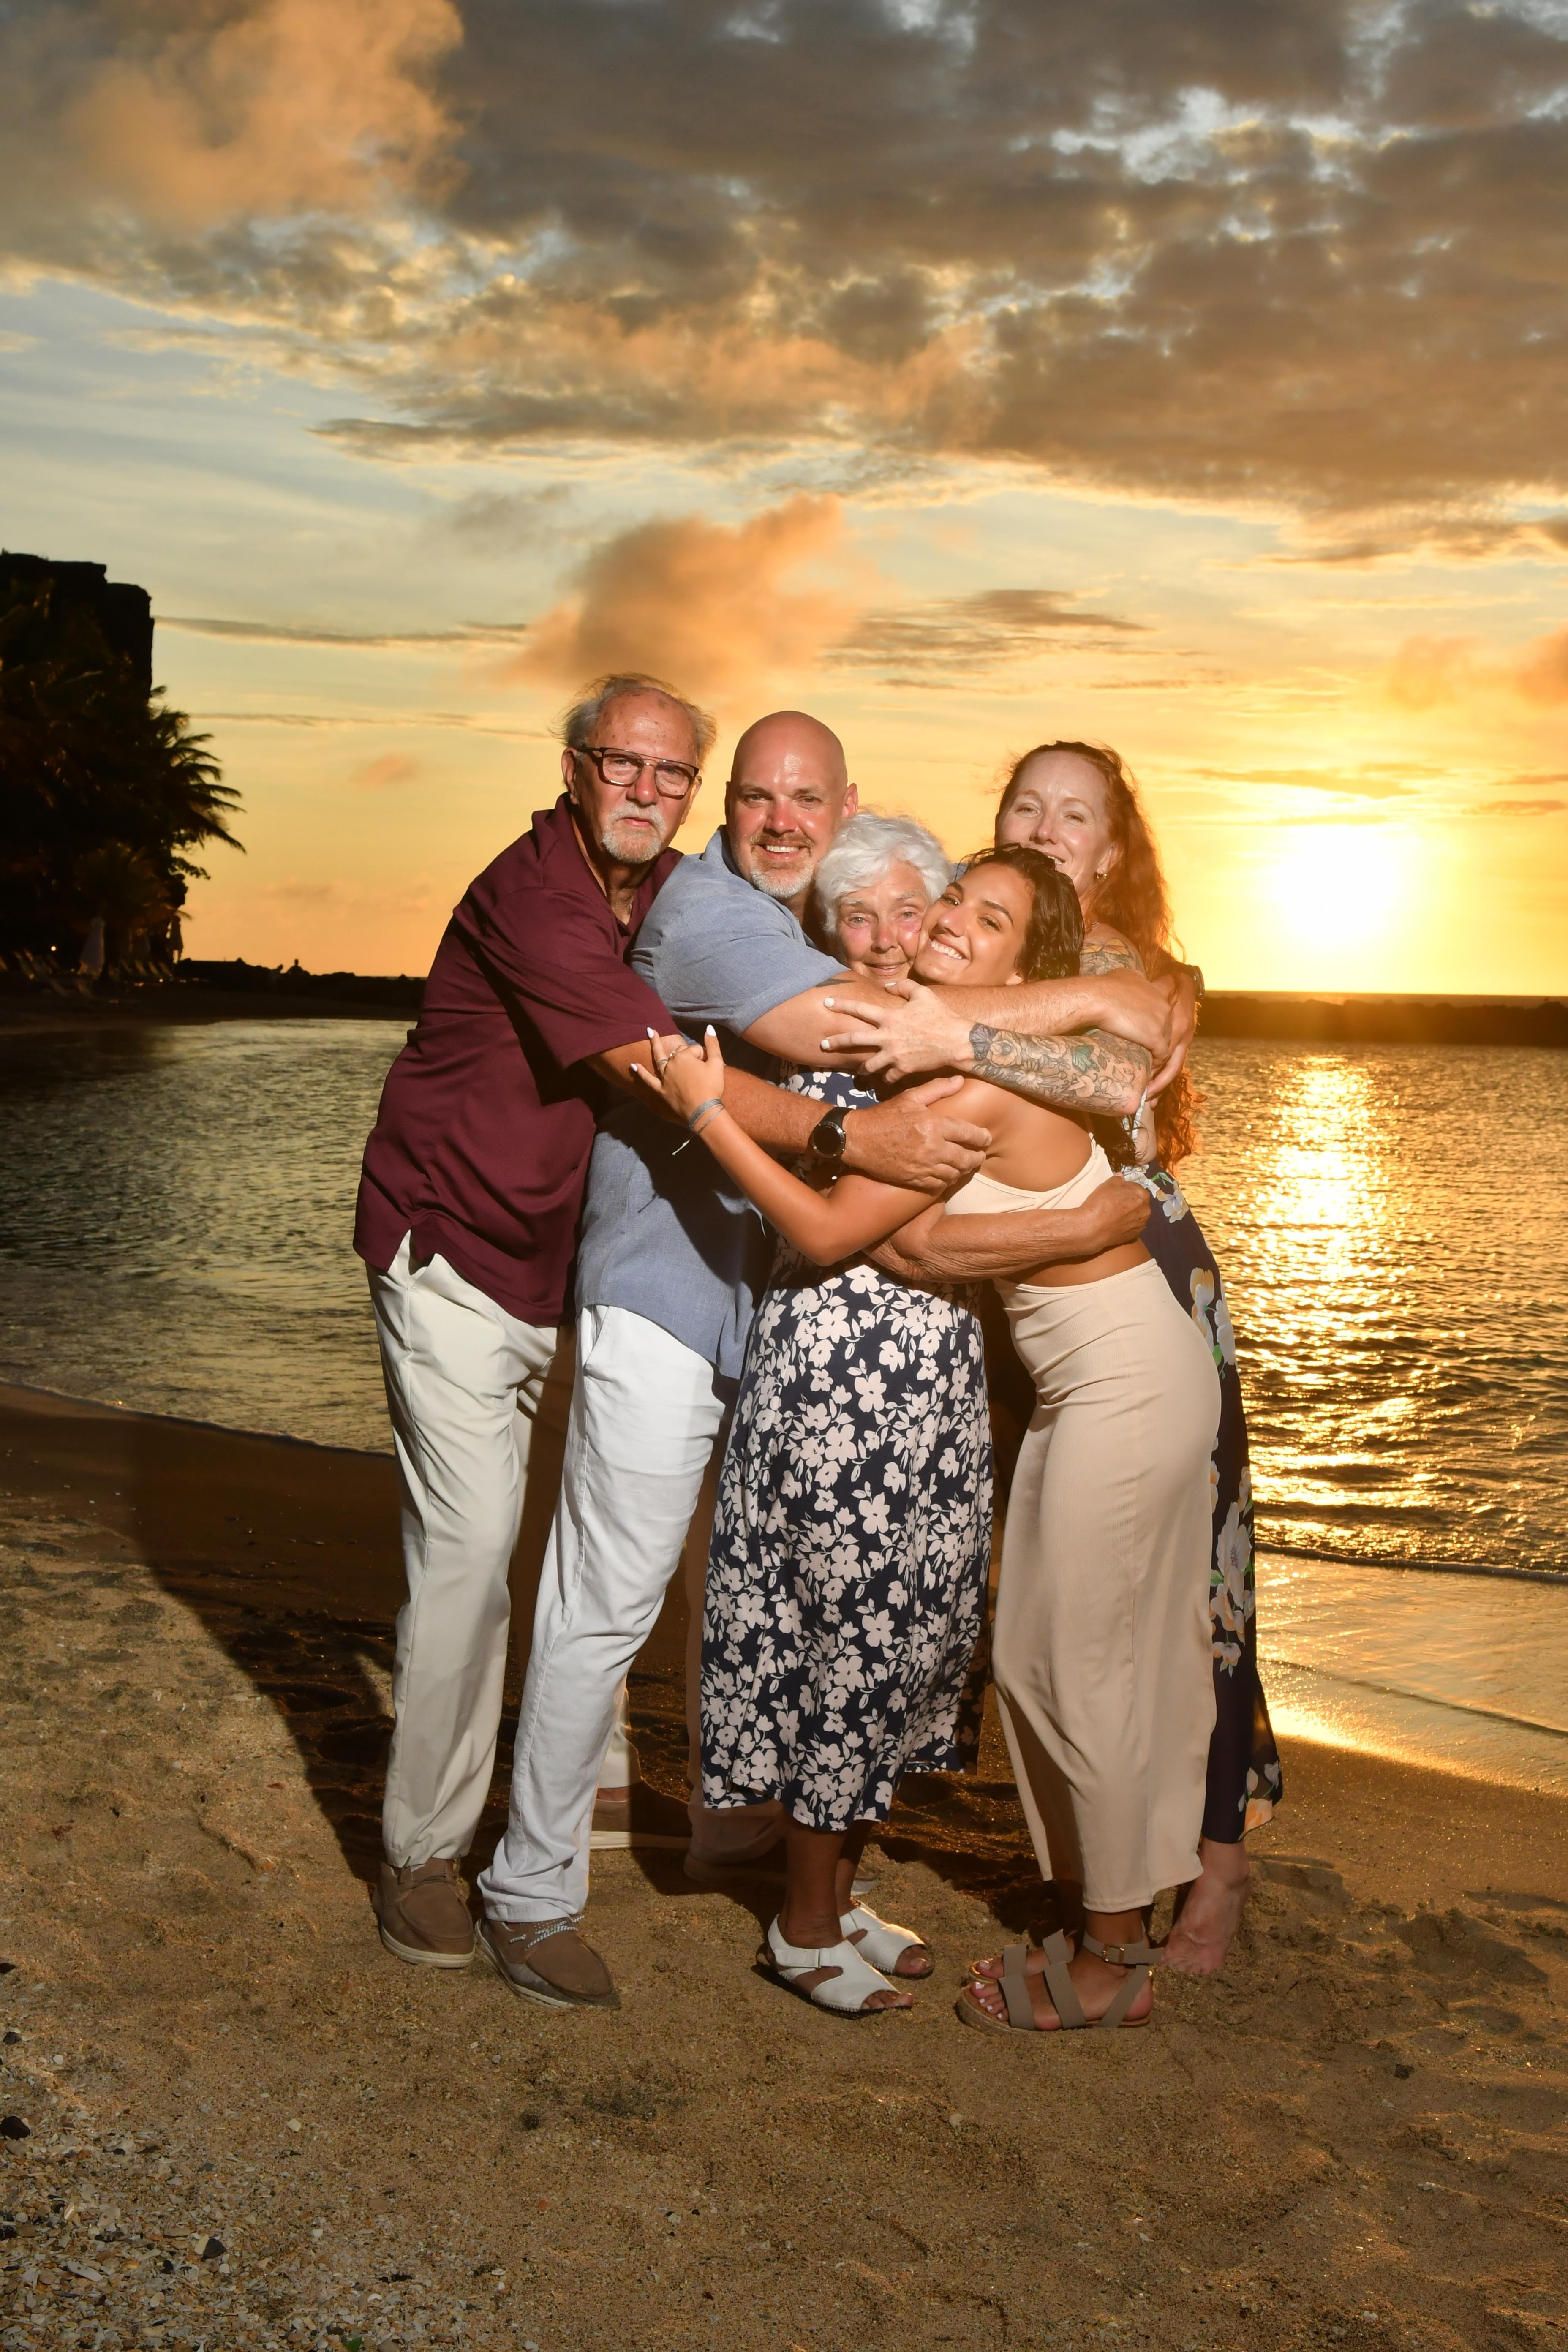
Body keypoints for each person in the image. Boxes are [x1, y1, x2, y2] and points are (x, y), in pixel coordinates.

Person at [475, 716, 1176, 2009]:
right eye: (756, 796)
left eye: (921, 906)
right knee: (648, 1604)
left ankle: (809, 1886)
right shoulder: (720, 927)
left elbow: (1102, 1071)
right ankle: (542, 1892)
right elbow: (865, 1182)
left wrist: (1096, 1018)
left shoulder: (884, 987)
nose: (890, 926)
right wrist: (1068, 1191)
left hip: (865, 1361)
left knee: (876, 1632)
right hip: (697, 1314)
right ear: (726, 808)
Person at [637, 846, 1219, 2029]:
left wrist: (704, 1108)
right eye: (953, 899)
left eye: (985, 916)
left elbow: (880, 1236)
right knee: (1089, 1658)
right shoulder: (953, 1058)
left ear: (1027, 967)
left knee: (1066, 1664)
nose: (950, 920)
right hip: (1096, 1380)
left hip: (1122, 1378)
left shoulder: (981, 1078)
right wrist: (1087, 1217)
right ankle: (1120, 1915)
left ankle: (1113, 1954)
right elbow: (911, 1244)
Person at [820, 742, 1278, 1977]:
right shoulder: (1007, 950)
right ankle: (1120, 1880)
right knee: (1073, 1610)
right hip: (1042, 1294)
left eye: (1078, 814)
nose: (1050, 825)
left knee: (1191, 1591)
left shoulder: (1132, 966)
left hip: (1137, 1278)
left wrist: (950, 1025)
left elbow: (1117, 1069)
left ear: (1115, 850)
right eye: (1028, 805)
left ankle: (1203, 1867)